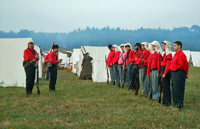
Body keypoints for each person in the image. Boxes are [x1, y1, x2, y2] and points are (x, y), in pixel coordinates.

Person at [170, 41, 189, 110]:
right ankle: (175, 103)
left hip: (179, 72)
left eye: (175, 45)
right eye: (173, 45)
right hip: (174, 73)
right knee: (174, 88)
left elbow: (185, 65)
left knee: (178, 89)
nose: (173, 47)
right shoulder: (175, 54)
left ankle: (179, 105)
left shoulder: (182, 55)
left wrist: (186, 73)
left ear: (179, 46)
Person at [161, 40, 172, 106]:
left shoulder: (169, 54)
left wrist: (165, 73)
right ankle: (164, 100)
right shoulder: (165, 54)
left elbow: (168, 64)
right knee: (164, 86)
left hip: (166, 70)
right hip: (163, 69)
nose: (163, 46)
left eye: (164, 45)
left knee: (166, 86)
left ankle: (167, 101)